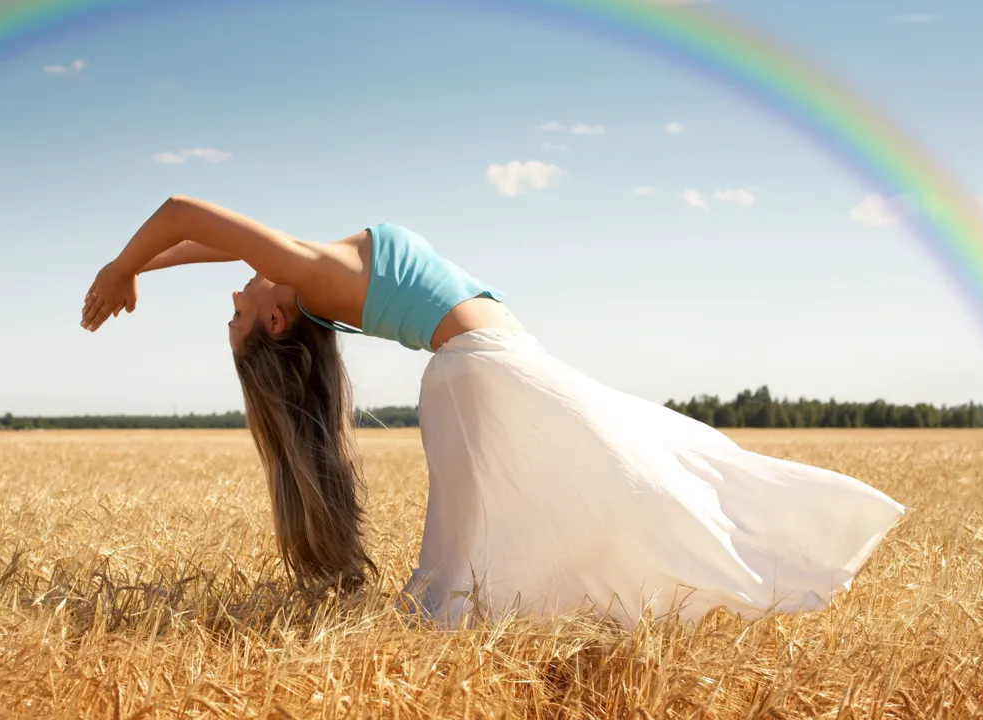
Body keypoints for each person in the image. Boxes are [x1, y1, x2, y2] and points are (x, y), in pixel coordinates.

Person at [81, 196, 905, 627]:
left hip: (490, 367)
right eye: (237, 312)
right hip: (485, 373)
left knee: (636, 472)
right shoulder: (307, 271)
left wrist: (140, 267)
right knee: (628, 484)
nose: (234, 291)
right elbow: (185, 209)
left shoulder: (307, 270)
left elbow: (208, 237)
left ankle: (723, 569)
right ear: (274, 321)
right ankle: (744, 568)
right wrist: (123, 265)